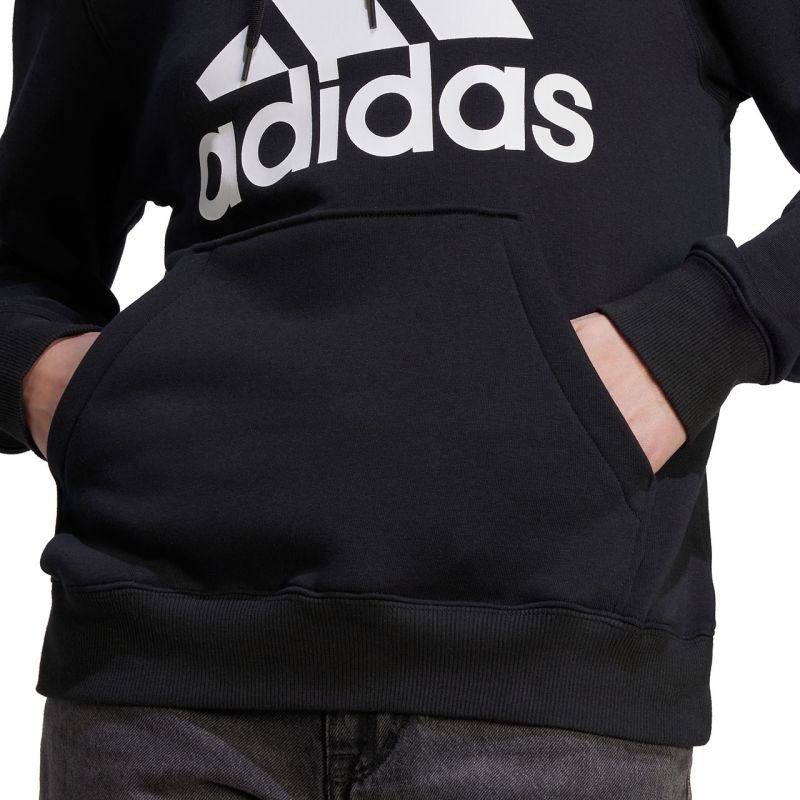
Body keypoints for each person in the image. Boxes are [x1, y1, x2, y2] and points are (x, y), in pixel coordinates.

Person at [2, 0, 798, 797]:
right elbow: (22, 262)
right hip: (157, 682)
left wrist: (701, 336)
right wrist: (51, 386)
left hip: (553, 686)